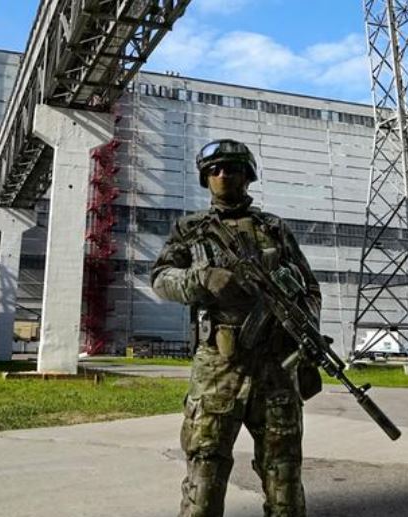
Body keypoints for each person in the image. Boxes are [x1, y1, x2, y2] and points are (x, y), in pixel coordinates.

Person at [150, 139, 322, 517]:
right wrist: (201, 279)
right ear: (205, 178)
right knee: (205, 473)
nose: (223, 175)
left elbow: (310, 289)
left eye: (232, 168)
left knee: (284, 477)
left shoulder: (273, 228)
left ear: (248, 175)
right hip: (217, 368)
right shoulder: (190, 229)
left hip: (276, 368)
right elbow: (161, 278)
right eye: (215, 170)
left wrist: (305, 328)